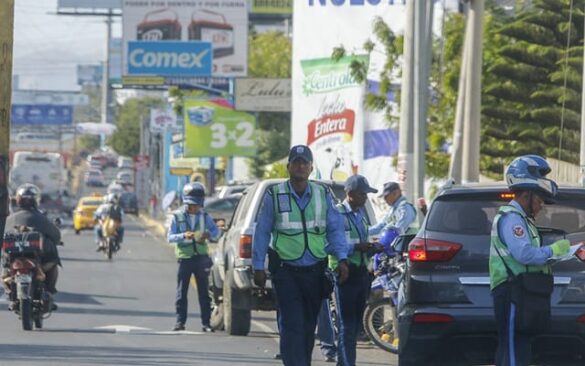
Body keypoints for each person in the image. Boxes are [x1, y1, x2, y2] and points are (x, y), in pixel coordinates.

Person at [252, 144, 350, 366]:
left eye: (304, 162)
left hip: (315, 271)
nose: (300, 166)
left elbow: (335, 229)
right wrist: (258, 266)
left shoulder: (322, 193)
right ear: (288, 167)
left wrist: (342, 259)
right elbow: (262, 232)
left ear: (311, 167)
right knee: (292, 324)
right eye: (296, 162)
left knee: (308, 327)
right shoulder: (275, 194)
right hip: (286, 272)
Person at [490, 155, 570, 366]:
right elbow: (523, 254)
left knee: (520, 346)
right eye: (539, 200)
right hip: (511, 290)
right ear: (526, 194)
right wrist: (553, 250)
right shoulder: (512, 218)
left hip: (522, 290)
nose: (541, 206)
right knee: (513, 351)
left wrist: (556, 255)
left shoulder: (522, 219)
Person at [329, 174, 382, 366]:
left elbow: (363, 240)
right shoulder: (337, 214)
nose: (366, 197)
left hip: (361, 274)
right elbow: (332, 244)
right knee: (347, 325)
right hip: (345, 273)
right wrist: (356, 247)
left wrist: (372, 248)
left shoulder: (360, 215)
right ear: (350, 194)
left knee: (355, 325)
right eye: (363, 194)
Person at [167, 182, 221, 332]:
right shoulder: (177, 217)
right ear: (186, 202)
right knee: (181, 292)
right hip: (185, 258)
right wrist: (184, 236)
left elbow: (217, 233)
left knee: (204, 293)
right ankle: (180, 322)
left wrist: (209, 235)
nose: (195, 207)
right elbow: (170, 237)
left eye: (197, 204)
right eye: (192, 204)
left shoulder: (205, 217)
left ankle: (206, 323)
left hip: (202, 258)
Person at [2, 184, 61, 310]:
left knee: (5, 271)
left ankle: (11, 296)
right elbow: (56, 236)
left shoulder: (9, 219)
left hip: (20, 265)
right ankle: (49, 293)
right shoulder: (41, 218)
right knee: (53, 264)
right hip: (26, 265)